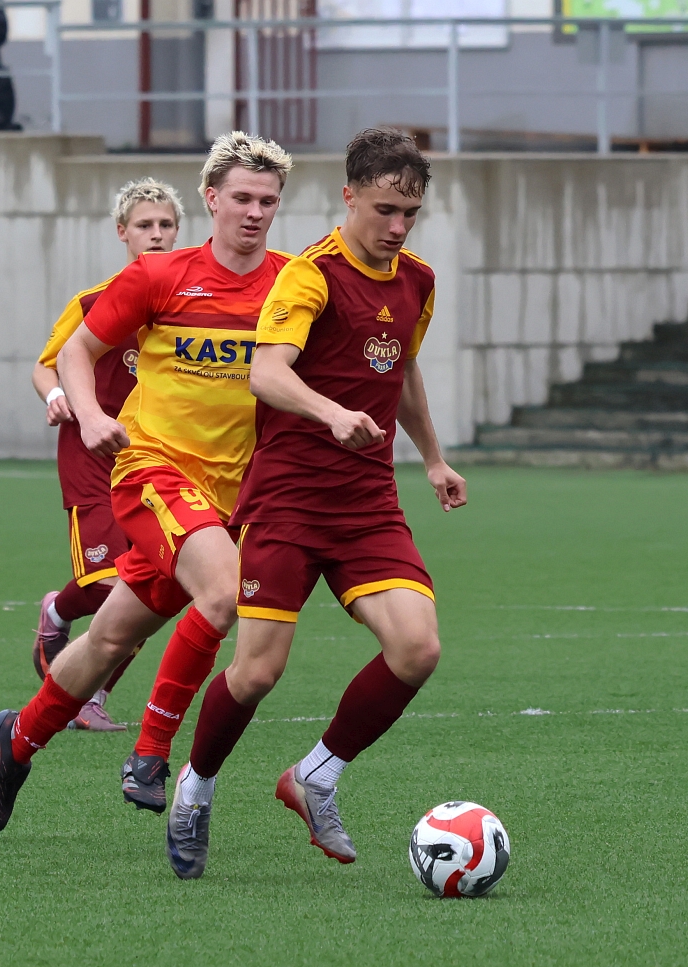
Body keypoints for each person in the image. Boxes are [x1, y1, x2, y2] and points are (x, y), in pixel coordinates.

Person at [164, 127, 467, 879]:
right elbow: (266, 374)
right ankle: (194, 789)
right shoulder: (309, 276)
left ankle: (315, 776)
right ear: (349, 197)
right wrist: (330, 413)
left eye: (410, 213)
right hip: (289, 501)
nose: (397, 227)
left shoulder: (418, 280)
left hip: (367, 503)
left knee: (417, 648)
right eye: (384, 210)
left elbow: (401, 369)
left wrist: (432, 458)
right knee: (257, 672)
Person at [0, 132, 294, 832]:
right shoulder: (159, 276)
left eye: (268, 201)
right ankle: (150, 755)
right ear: (211, 199)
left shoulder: (291, 284)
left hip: (229, 496)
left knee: (109, 639)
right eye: (242, 198)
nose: (254, 212)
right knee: (222, 596)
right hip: (152, 471)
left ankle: (17, 741)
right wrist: (91, 416)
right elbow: (74, 352)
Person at [32, 177, 184, 732]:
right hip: (92, 457)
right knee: (108, 583)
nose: (156, 234)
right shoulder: (94, 302)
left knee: (149, 590)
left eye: (166, 224)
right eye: (145, 225)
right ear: (122, 232)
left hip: (156, 460)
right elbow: (46, 364)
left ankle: (90, 698)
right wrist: (56, 394)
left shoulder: (189, 305)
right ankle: (58, 610)